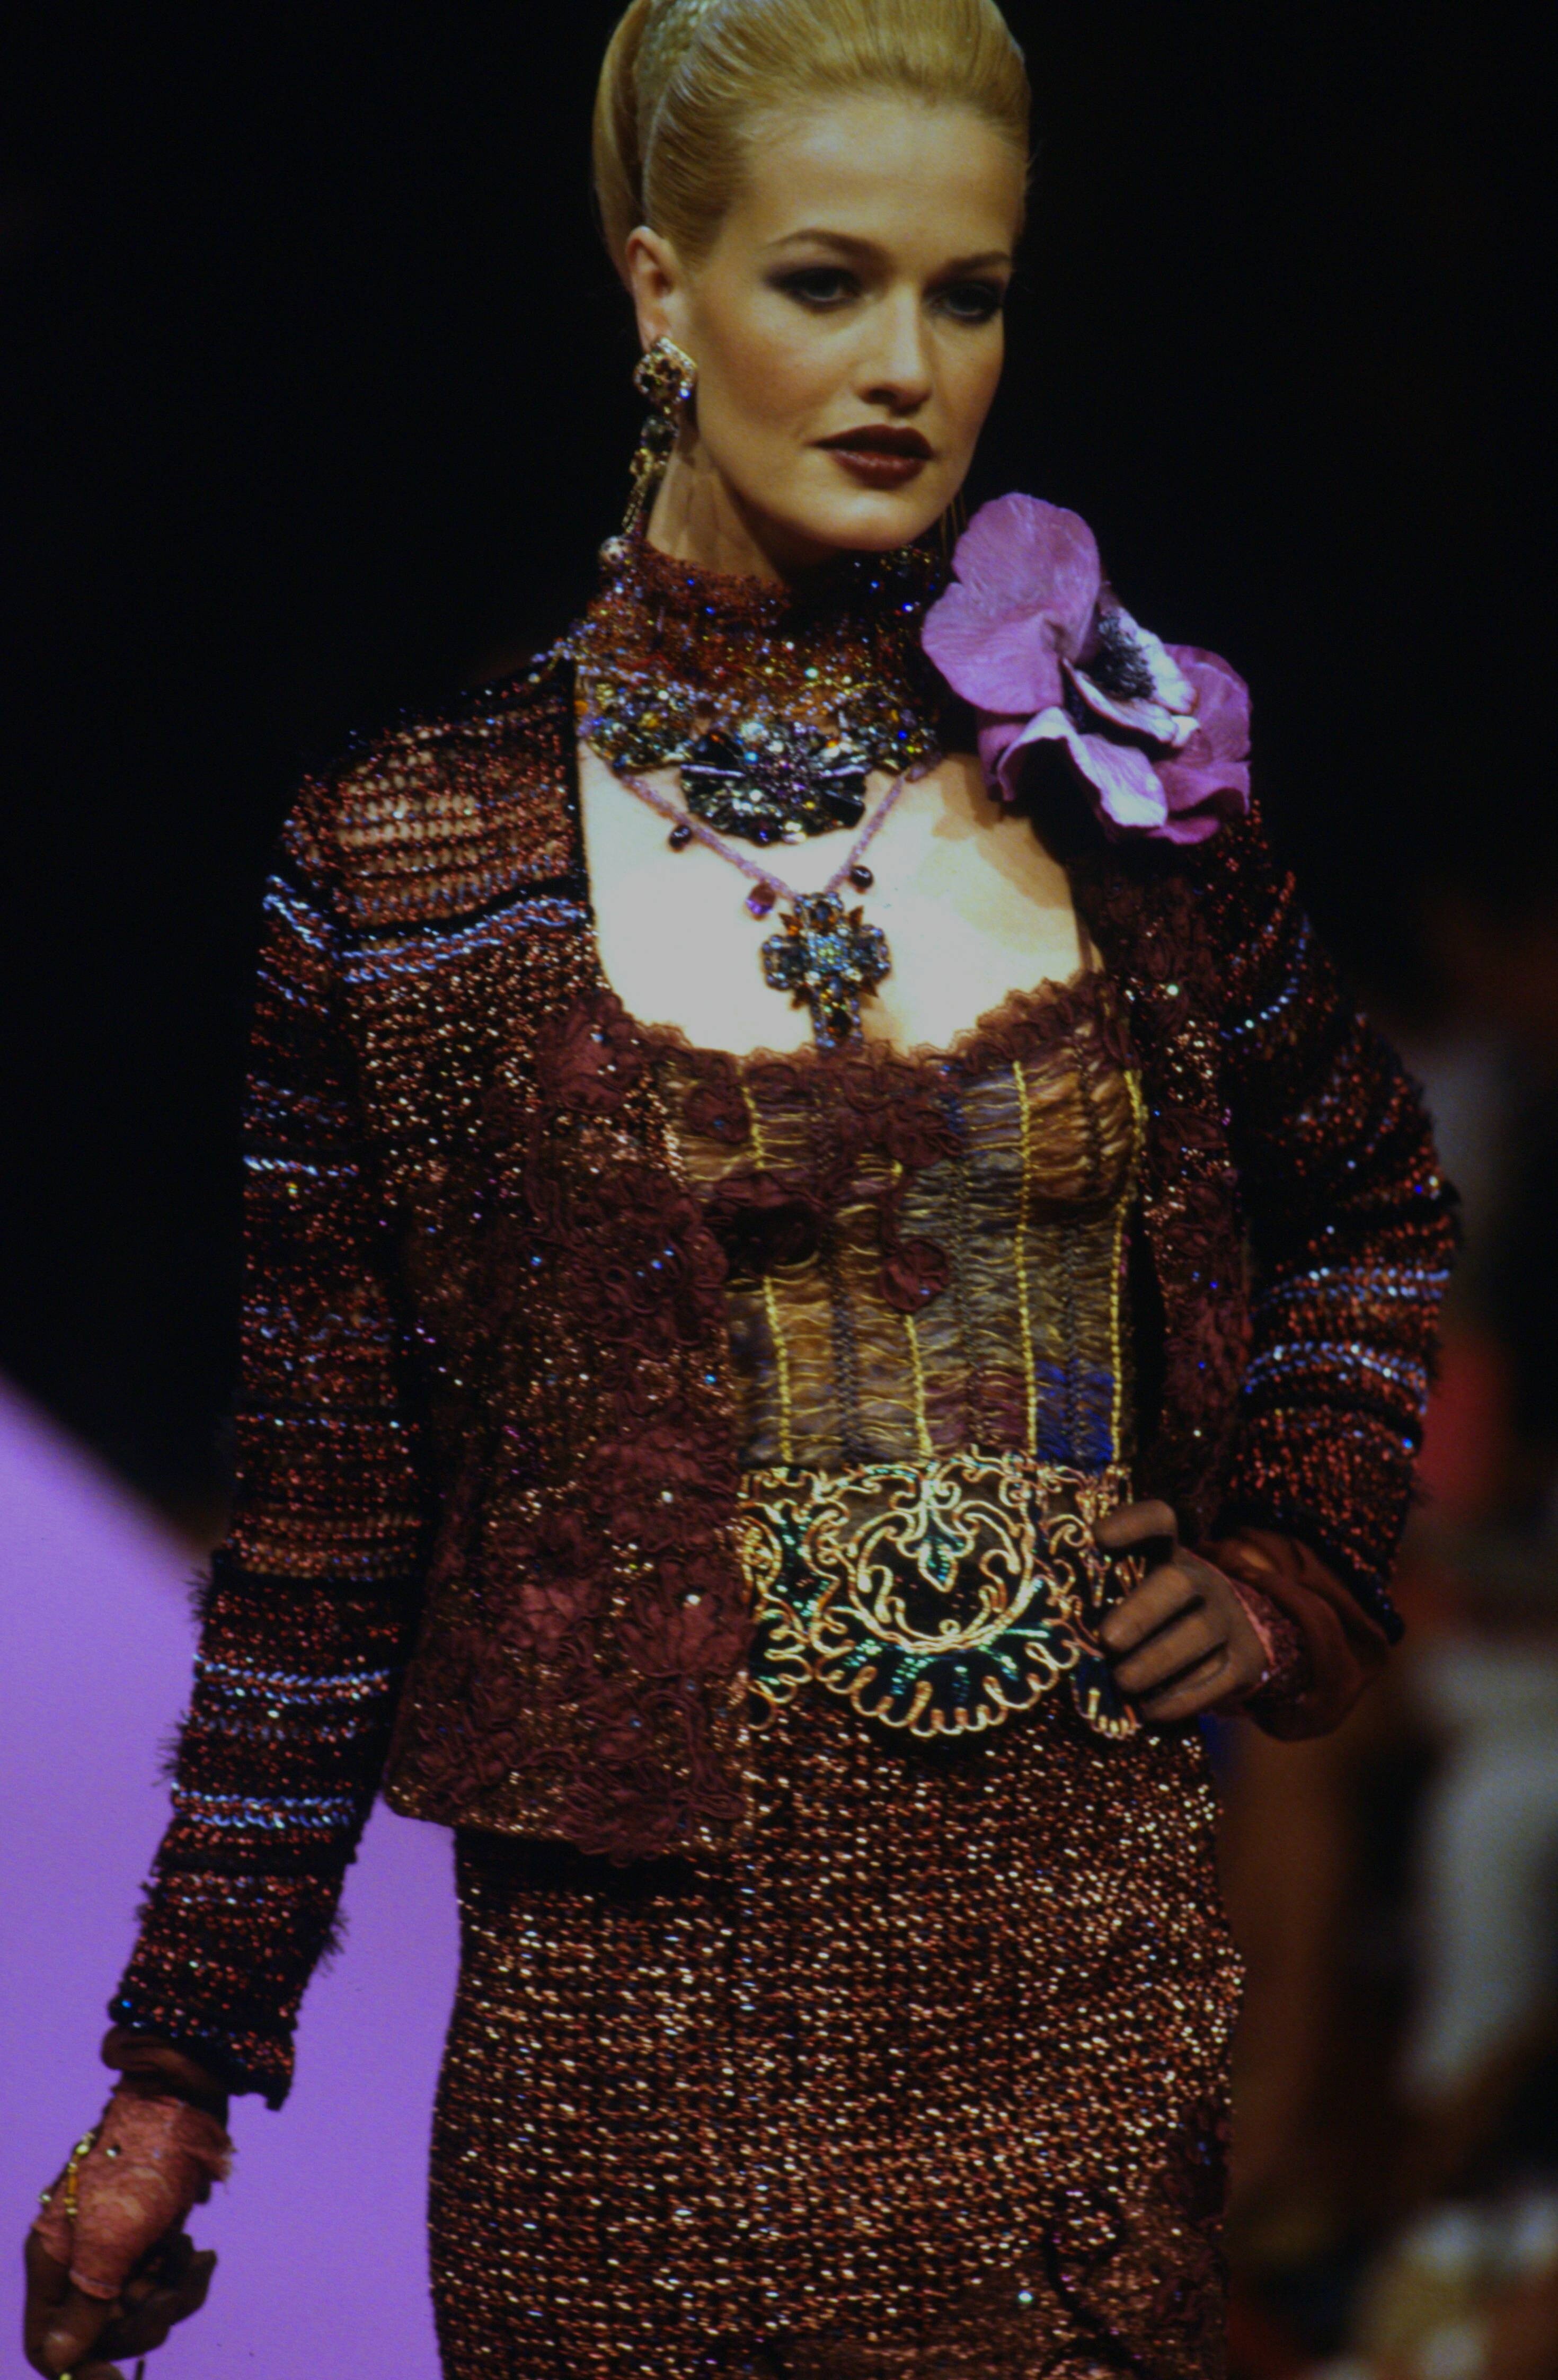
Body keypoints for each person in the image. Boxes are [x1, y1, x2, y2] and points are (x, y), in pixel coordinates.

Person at [23, 1, 1456, 2374]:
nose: (906, 366)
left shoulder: (1113, 793)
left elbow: (1374, 1201)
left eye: (967, 294)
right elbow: (323, 1534)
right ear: (659, 289)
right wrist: (177, 2076)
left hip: (1073, 1999)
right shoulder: (416, 866)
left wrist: (1288, 1557)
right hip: (634, 2038)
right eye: (826, 281)